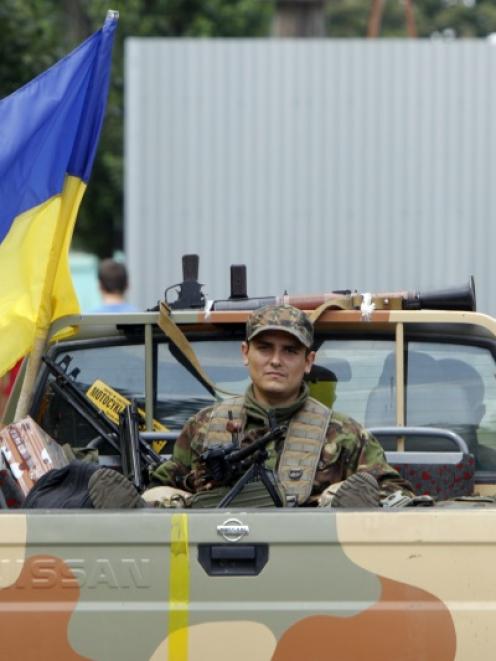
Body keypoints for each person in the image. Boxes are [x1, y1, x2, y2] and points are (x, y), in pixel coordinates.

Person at [89, 304, 414, 508]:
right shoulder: (204, 426)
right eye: (264, 348)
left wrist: (338, 498)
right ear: (245, 353)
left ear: (308, 361)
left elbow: (396, 493)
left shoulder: (344, 434)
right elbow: (163, 481)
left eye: (289, 351)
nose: (275, 360)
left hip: (312, 563)